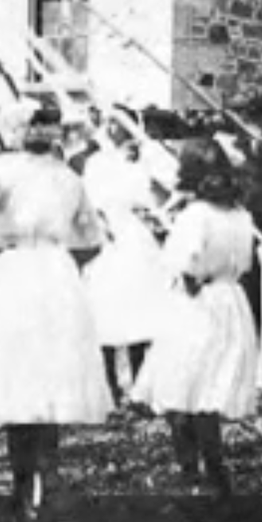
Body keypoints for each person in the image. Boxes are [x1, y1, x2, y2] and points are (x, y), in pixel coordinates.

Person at [0, 99, 111, 522]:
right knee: (48, 377)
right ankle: (42, 481)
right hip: (55, 273)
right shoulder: (68, 176)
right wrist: (61, 264)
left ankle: (26, 487)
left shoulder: (4, 170)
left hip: (18, 270)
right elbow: (93, 239)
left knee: (23, 376)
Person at [132, 139, 261, 497]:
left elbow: (185, 265)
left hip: (198, 302)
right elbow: (245, 262)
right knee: (209, 386)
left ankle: (192, 472)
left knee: (183, 386)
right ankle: (215, 471)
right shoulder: (240, 213)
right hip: (230, 298)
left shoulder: (195, 216)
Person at [81, 119, 169, 407]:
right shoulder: (96, 163)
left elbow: (160, 198)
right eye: (114, 126)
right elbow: (89, 202)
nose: (120, 132)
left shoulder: (146, 160)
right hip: (108, 238)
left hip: (139, 239)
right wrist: (102, 227)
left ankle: (140, 385)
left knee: (141, 309)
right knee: (105, 311)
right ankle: (109, 385)